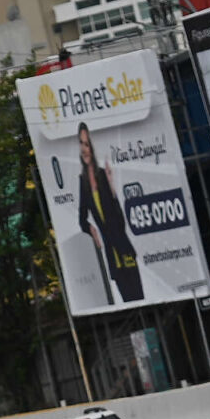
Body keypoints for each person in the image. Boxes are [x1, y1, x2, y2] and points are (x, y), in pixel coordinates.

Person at [73, 122, 145, 304]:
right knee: (129, 301)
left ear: (93, 147)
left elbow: (120, 221)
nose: (84, 149)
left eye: (87, 144)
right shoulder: (83, 182)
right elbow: (82, 219)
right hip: (111, 255)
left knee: (139, 298)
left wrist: (112, 188)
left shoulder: (104, 174)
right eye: (81, 144)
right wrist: (92, 230)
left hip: (124, 248)